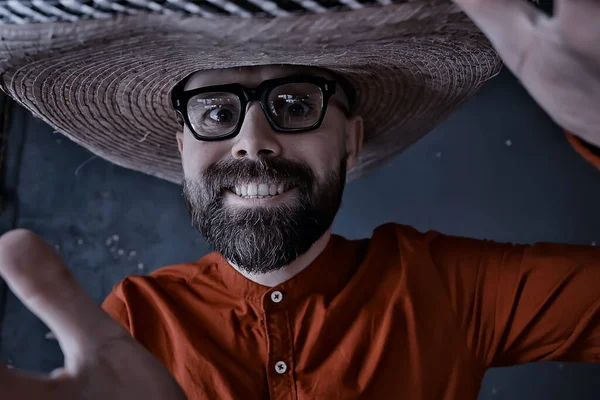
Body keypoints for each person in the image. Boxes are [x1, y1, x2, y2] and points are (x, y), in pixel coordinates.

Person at [0, 0, 598, 399]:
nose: (253, 143)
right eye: (215, 113)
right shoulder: (132, 324)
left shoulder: (452, 288)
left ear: (351, 139)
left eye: (294, 106)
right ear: (182, 147)